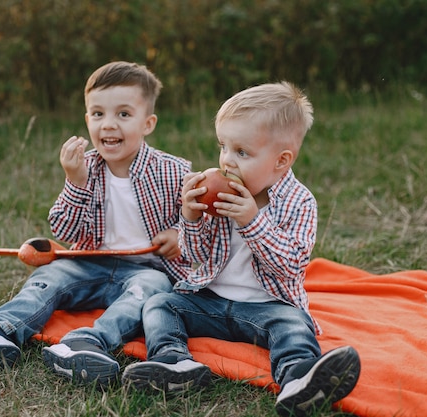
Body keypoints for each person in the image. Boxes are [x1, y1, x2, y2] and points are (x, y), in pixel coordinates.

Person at [0, 61, 193, 387]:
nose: (108, 125)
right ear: (86, 119)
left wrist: (180, 233)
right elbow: (64, 232)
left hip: (145, 269)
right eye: (98, 114)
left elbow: (199, 222)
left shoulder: (173, 171)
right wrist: (75, 182)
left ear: (147, 123)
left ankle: (89, 343)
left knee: (151, 291)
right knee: (48, 276)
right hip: (90, 264)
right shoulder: (85, 169)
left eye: (123, 114)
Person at [121, 82, 360, 416]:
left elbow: (290, 266)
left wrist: (252, 221)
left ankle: (299, 381)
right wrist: (190, 217)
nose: (226, 162)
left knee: (294, 326)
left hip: (267, 308)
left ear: (281, 160)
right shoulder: (219, 194)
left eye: (242, 152)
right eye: (223, 147)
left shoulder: (299, 203)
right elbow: (196, 257)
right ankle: (174, 365)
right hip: (211, 302)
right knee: (160, 305)